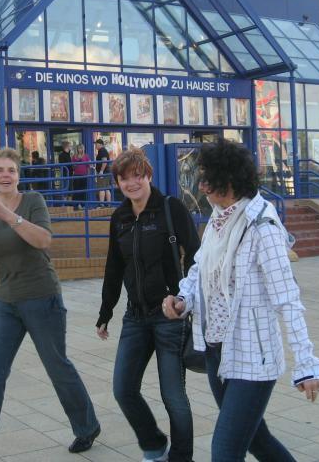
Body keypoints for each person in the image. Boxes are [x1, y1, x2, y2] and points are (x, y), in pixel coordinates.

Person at [162, 139, 319, 462]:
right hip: (216, 352)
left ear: (230, 180)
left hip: (253, 358)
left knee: (225, 451)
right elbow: (200, 268)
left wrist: (306, 364)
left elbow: (287, 299)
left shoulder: (262, 226)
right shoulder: (219, 219)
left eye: (208, 179)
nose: (202, 186)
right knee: (257, 440)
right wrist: (183, 299)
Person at [0, 148, 100, 462]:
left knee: (57, 367)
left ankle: (87, 426)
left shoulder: (33, 201)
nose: (5, 175)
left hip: (42, 297)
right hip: (5, 303)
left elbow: (44, 240)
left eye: (11, 170)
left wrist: (8, 215)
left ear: (18, 176)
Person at [96, 149, 200, 462]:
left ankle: (181, 457)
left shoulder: (170, 208)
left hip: (170, 316)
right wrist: (106, 311)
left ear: (148, 176)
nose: (132, 183)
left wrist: (182, 297)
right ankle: (154, 445)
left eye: (138, 176)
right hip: (135, 317)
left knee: (173, 396)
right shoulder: (120, 217)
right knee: (123, 389)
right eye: (124, 178)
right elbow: (115, 266)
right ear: (117, 182)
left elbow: (196, 255)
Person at [71, 144, 90, 210]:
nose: (80, 150)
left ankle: (83, 205)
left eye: (81, 148)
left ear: (83, 149)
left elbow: (88, 166)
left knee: (83, 190)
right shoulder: (74, 156)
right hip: (76, 175)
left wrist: (88, 175)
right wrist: (77, 163)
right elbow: (73, 167)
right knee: (76, 190)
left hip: (84, 175)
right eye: (79, 148)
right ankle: (76, 205)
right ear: (77, 149)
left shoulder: (86, 156)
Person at [95, 138, 112, 206]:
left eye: (96, 144)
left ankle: (101, 204)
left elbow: (104, 161)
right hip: (106, 172)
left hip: (104, 172)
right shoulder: (103, 150)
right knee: (106, 188)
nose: (95, 146)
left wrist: (101, 171)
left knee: (102, 188)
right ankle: (109, 204)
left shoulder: (102, 151)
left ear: (100, 144)